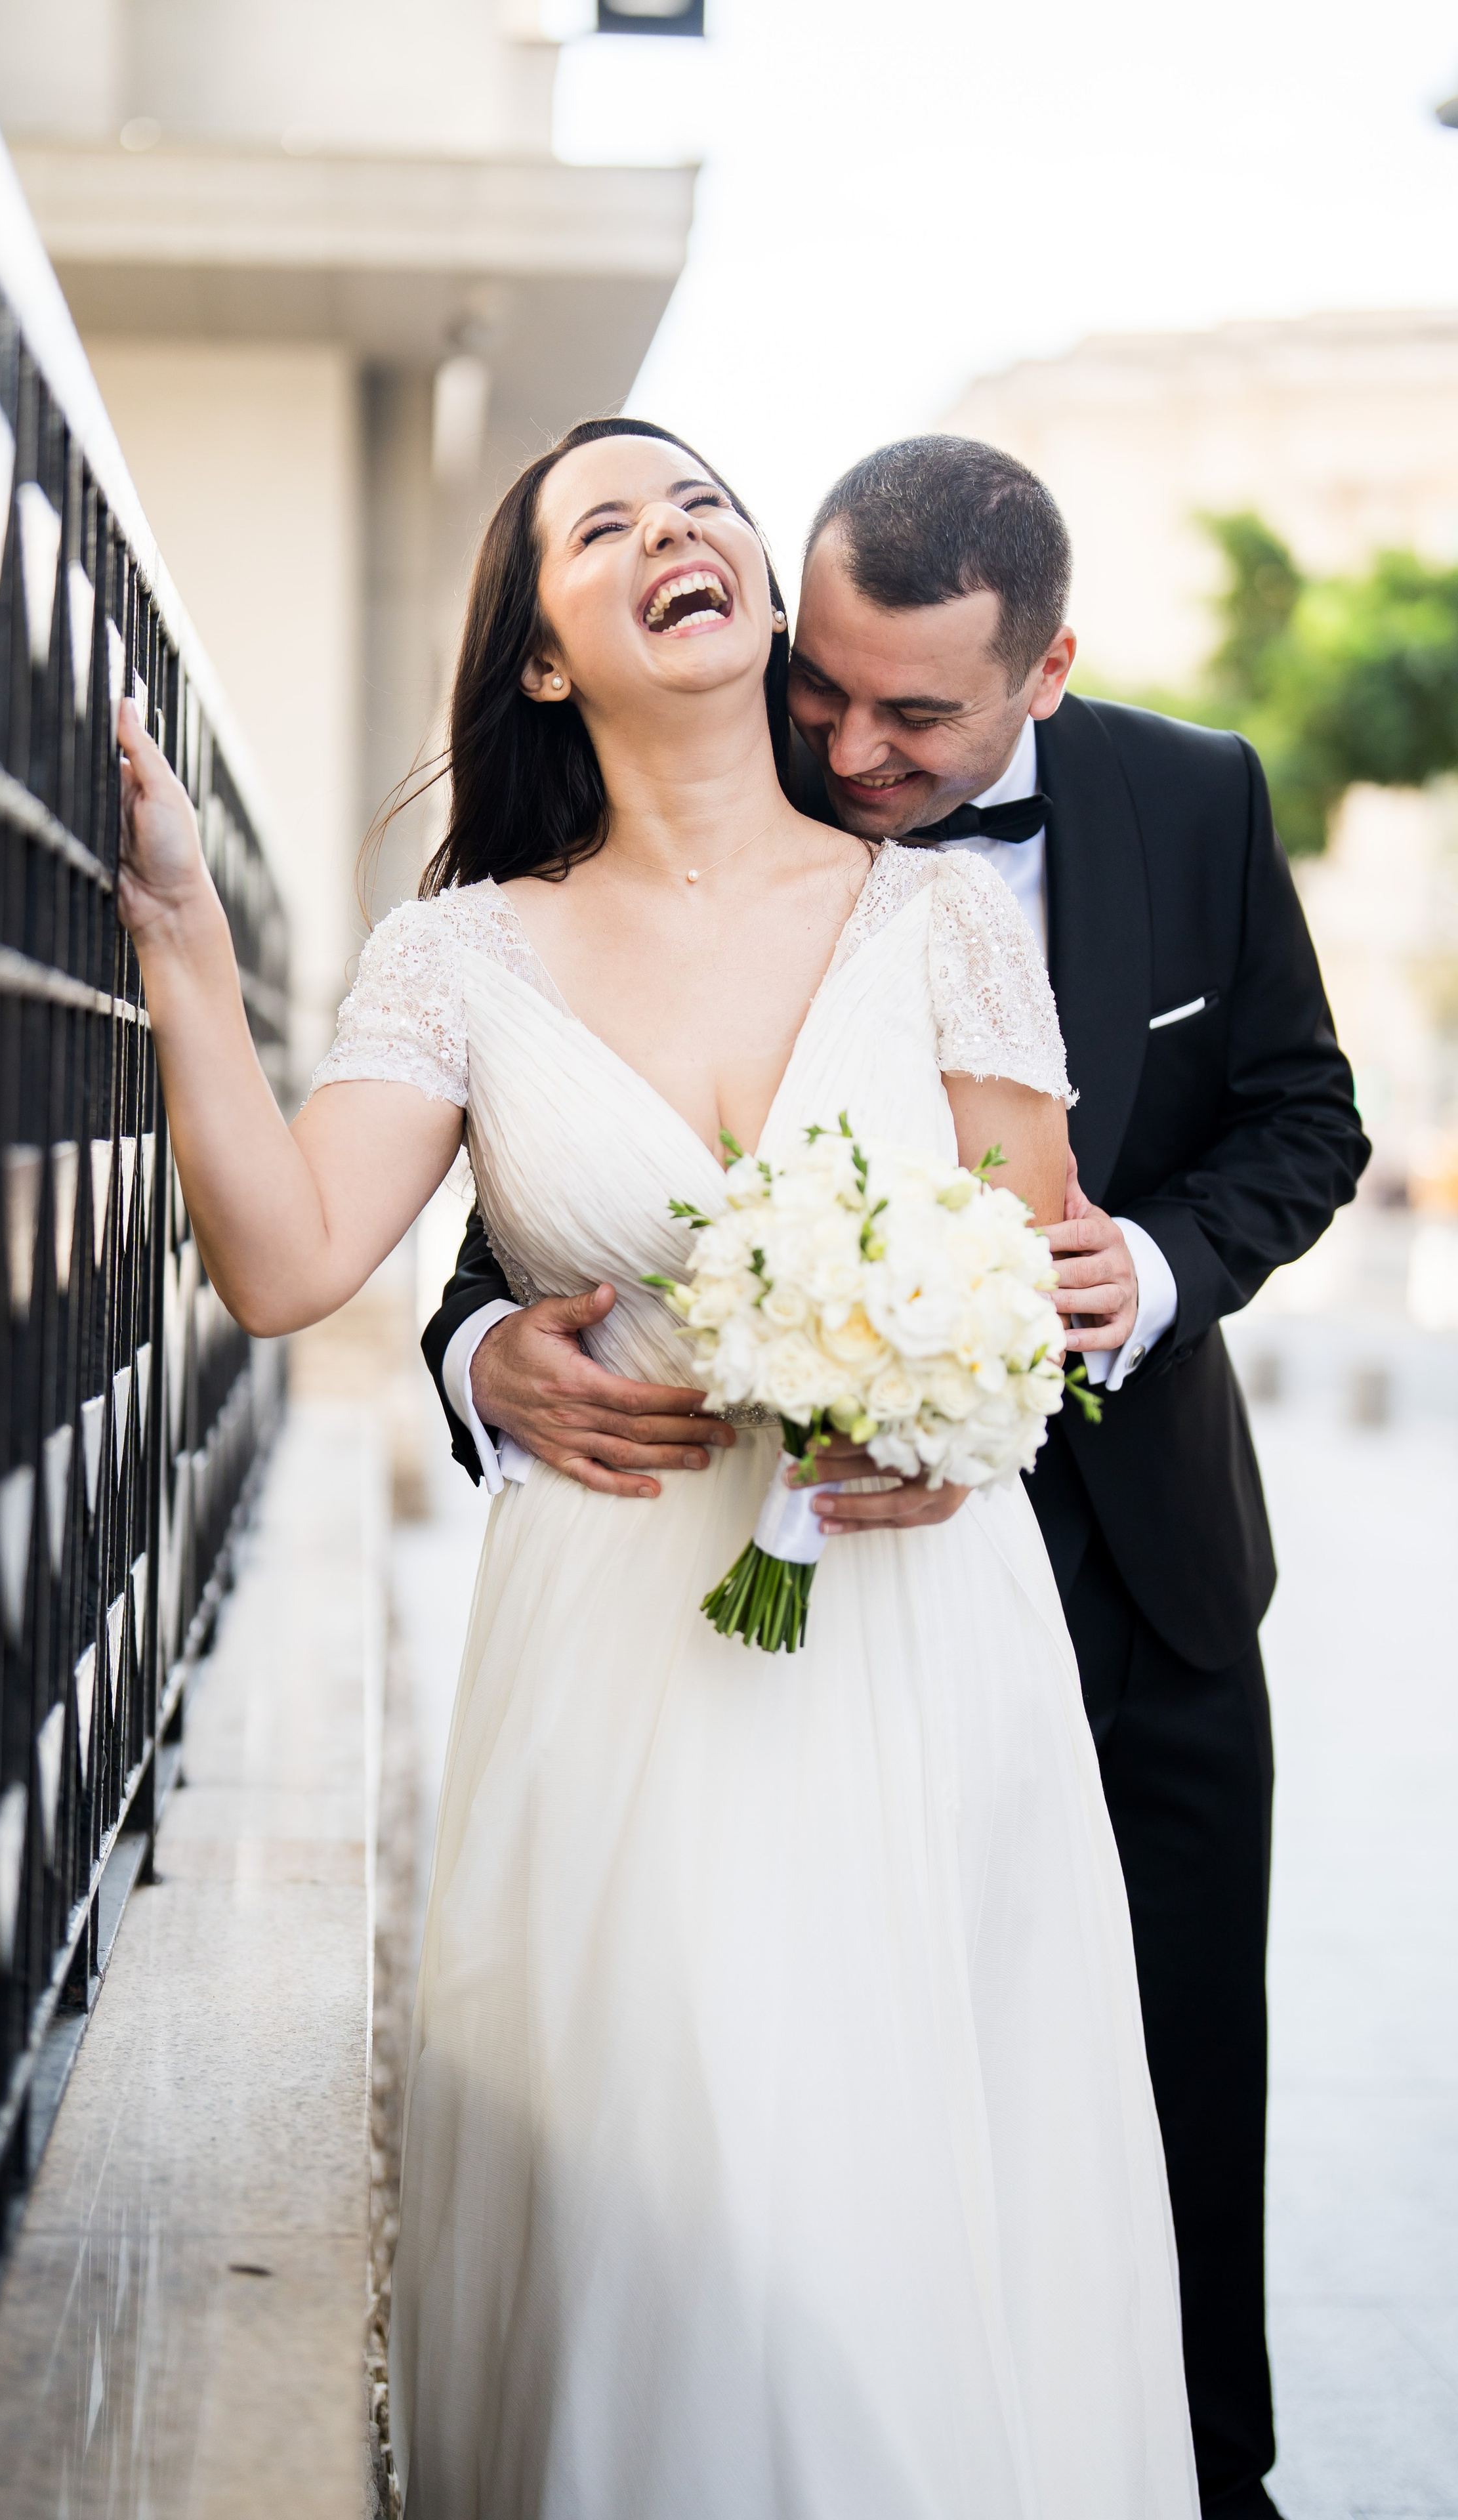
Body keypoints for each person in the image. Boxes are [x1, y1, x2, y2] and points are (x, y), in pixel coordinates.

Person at [117, 416, 1200, 2516]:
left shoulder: (951, 920)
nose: (674, 529)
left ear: (765, 591)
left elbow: (1026, 1267)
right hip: (621, 1655)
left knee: (902, 2182)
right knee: (677, 2186)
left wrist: (950, 1400)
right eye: (602, 526)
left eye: (701, 499)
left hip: (912, 1636)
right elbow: (283, 1261)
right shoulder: (460, 955)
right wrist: (180, 939)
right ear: (542, 655)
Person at [424, 434, 1371, 2519]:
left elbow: (1304, 1115)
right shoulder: (719, 752)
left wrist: (1146, 1270)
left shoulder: (1192, 798)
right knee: (810, 2104)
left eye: (913, 716)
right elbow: (575, 1165)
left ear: (1044, 675)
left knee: (1148, 2092)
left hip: (1140, 1579)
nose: (846, 745)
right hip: (768, 1614)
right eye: (823, 691)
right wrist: (480, 1347)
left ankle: (1196, 2483)